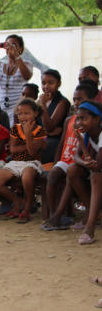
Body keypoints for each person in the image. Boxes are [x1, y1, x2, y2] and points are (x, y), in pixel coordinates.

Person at [42, 82, 98, 230]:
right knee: (53, 174)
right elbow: (62, 145)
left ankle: (62, 214)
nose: (76, 102)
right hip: (70, 159)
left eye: (80, 99)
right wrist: (56, 161)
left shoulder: (91, 122)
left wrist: (85, 162)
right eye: (74, 99)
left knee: (72, 172)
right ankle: (55, 214)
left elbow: (89, 152)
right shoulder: (71, 120)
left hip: (83, 163)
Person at [0, 98, 46, 223]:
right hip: (16, 162)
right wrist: (30, 144)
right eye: (20, 114)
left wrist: (27, 134)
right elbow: (13, 149)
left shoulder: (39, 130)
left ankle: (27, 208)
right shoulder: (15, 129)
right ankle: (18, 202)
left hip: (33, 162)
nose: (23, 116)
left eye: (27, 113)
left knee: (27, 177)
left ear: (35, 114)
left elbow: (32, 153)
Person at [65, 101, 102, 245]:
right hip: (98, 169)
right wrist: (80, 141)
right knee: (73, 170)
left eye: (83, 118)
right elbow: (77, 157)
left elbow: (98, 166)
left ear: (97, 119)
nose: (79, 122)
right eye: (78, 119)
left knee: (96, 176)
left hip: (99, 171)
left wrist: (88, 163)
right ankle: (92, 214)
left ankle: (89, 228)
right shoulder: (87, 135)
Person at [0, 34, 33, 124]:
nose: (10, 48)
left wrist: (17, 56)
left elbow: (27, 76)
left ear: (21, 49)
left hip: (18, 109)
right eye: (7, 45)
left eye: (14, 45)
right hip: (1, 108)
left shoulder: (26, 64)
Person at [38, 69, 70, 163]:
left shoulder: (62, 102)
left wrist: (43, 105)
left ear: (59, 84)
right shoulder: (41, 100)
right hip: (40, 138)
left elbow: (50, 127)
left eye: (51, 83)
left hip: (54, 141)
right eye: (43, 83)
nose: (46, 86)